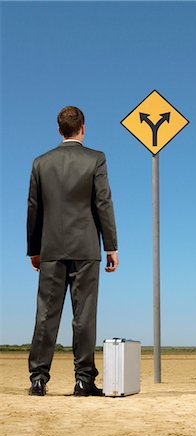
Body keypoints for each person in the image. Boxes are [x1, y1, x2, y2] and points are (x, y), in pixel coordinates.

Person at [26, 106, 119, 396]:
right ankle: (83, 380)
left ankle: (38, 380)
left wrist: (33, 249)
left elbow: (34, 208)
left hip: (51, 247)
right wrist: (111, 246)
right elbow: (102, 203)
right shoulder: (96, 159)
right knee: (84, 315)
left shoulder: (41, 163)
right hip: (85, 247)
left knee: (46, 314)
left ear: (59, 130)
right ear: (83, 127)